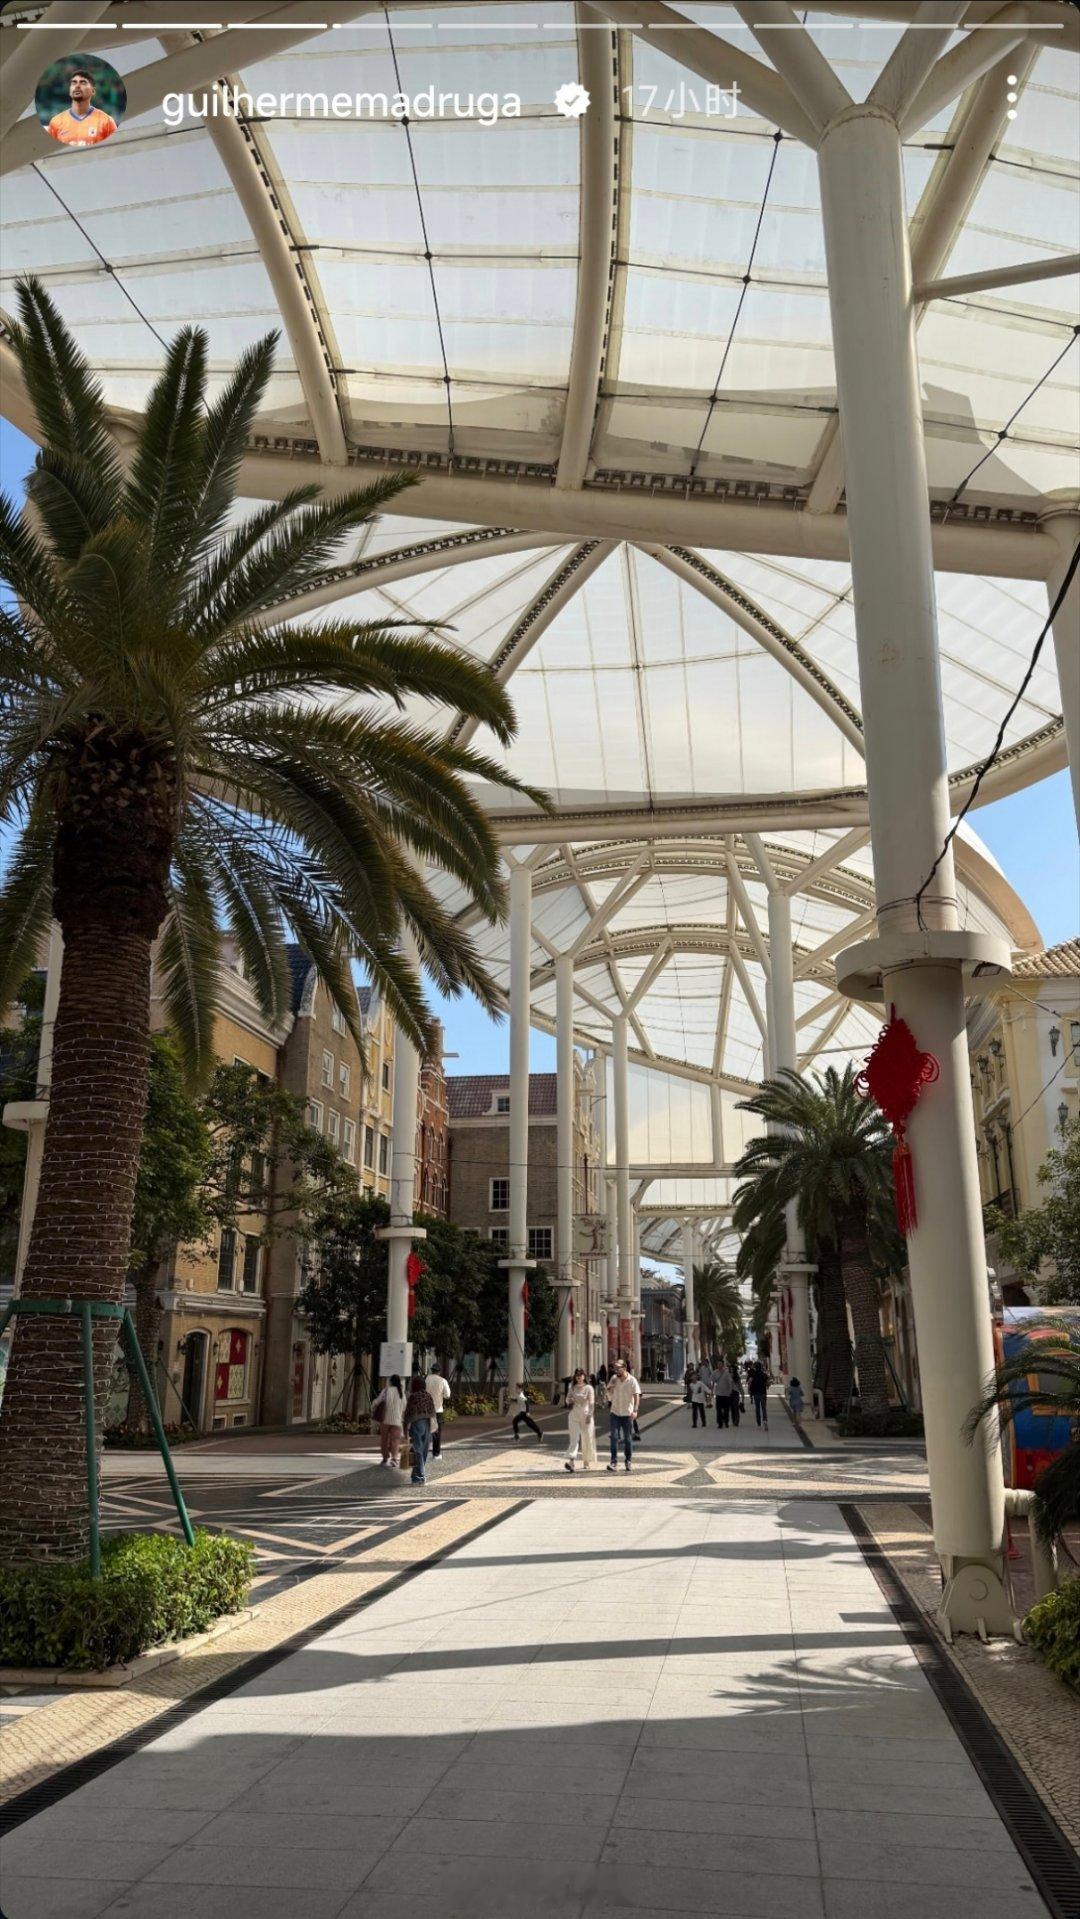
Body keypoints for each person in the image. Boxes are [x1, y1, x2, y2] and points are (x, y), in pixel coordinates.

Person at [47, 70, 118, 147]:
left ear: (93, 91)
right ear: (70, 90)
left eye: (83, 83)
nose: (77, 86)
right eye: (74, 83)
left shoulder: (107, 121)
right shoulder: (55, 122)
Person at [605, 1358, 640, 1472]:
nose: (616, 1370)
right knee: (614, 1437)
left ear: (624, 1368)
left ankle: (628, 1460)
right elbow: (608, 1393)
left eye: (618, 1368)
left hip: (627, 1414)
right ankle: (614, 1462)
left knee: (628, 1439)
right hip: (615, 1413)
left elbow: (636, 1395)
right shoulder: (614, 1378)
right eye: (615, 1368)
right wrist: (610, 1388)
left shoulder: (632, 1380)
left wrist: (635, 1410)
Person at [403, 1374, 436, 1485]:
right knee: (423, 1450)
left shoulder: (413, 1396)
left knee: (417, 1450)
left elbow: (408, 1413)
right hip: (427, 1423)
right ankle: (415, 1476)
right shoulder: (428, 1395)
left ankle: (420, 1476)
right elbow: (433, 1411)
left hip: (417, 1423)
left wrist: (405, 1429)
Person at [564, 1368, 597, 1473]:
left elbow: (591, 1403)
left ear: (584, 1376)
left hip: (586, 1415)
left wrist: (590, 1415)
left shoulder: (589, 1388)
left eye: (581, 1375)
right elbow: (567, 1399)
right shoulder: (572, 1387)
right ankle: (571, 1461)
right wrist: (569, 1400)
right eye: (577, 1375)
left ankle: (586, 1461)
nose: (578, 1377)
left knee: (587, 1438)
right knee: (574, 1438)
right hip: (574, 1414)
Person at [372, 1373, 404, 1468]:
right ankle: (394, 1459)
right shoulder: (401, 1393)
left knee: (384, 1439)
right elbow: (404, 1407)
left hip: (385, 1420)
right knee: (395, 1440)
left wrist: (373, 1407)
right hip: (397, 1420)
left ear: (391, 1382)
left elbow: (376, 1402)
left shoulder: (386, 1391)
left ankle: (385, 1458)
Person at [425, 1363, 452, 1458]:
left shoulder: (426, 1379)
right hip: (438, 1409)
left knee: (425, 1430)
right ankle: (436, 1454)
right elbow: (447, 1395)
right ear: (439, 1372)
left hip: (426, 1409)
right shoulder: (442, 1381)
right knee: (437, 1432)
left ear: (431, 1370)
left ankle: (423, 1452)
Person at [748, 1358, 769, 1430]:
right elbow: (768, 1383)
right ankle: (765, 1421)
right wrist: (767, 1386)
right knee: (763, 1408)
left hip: (756, 1393)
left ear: (755, 1367)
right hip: (763, 1393)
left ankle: (759, 1423)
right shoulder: (764, 1375)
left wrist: (749, 1390)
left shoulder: (753, 1375)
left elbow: (750, 1382)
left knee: (757, 1408)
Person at [713, 1360, 733, 1427]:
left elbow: (730, 1382)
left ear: (723, 1365)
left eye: (720, 1364)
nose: (719, 1365)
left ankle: (726, 1422)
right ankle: (720, 1423)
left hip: (726, 1394)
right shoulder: (715, 1372)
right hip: (718, 1394)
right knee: (718, 1410)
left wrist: (730, 1391)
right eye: (718, 1364)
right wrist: (711, 1390)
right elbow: (712, 1381)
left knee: (726, 1409)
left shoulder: (726, 1373)